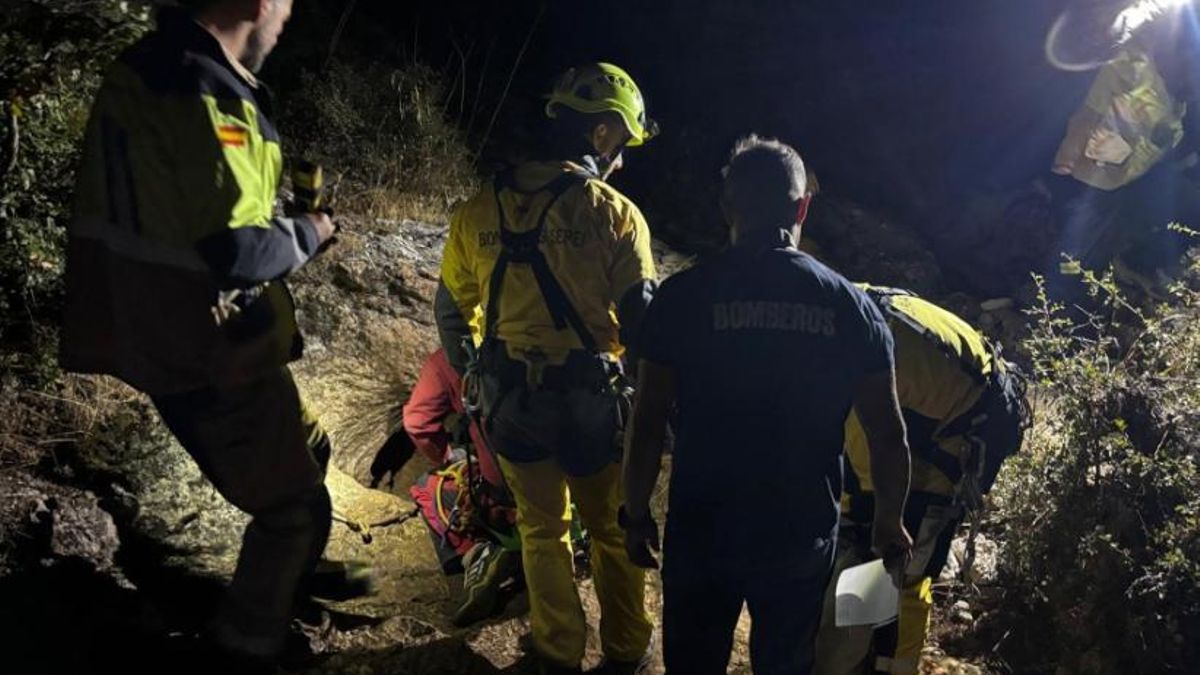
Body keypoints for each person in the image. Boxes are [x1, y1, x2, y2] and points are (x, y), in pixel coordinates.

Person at [59, 0, 363, 667]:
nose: (286, 20)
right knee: (295, 509)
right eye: (284, 5)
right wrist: (312, 231)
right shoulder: (206, 90)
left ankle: (287, 583)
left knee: (311, 438)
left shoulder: (153, 66)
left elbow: (184, 209)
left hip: (153, 328)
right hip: (200, 346)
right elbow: (235, 252)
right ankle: (245, 644)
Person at [622, 135, 914, 675]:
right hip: (798, 536)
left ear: (726, 207)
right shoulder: (851, 307)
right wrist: (889, 523)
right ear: (802, 207)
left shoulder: (683, 298)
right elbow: (886, 432)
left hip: (703, 531)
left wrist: (634, 512)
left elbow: (647, 421)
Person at [435, 62, 658, 674]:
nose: (623, 160)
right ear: (604, 134)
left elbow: (453, 313)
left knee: (541, 529)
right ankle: (626, 649)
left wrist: (474, 381)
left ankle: (558, 649)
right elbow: (642, 326)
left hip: (511, 401)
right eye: (624, 144)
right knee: (611, 531)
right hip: (588, 400)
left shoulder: (478, 211)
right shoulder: (614, 213)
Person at [813, 286, 1029, 675]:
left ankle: (886, 665)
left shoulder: (859, 357)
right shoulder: (838, 306)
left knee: (888, 558)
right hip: (935, 400)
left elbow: (868, 470)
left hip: (962, 430)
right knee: (864, 538)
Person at [401, 347, 520, 626]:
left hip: (505, 493)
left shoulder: (448, 357)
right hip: (572, 480)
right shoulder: (544, 332)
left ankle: (476, 553)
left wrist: (448, 459)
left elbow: (417, 423)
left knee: (428, 486)